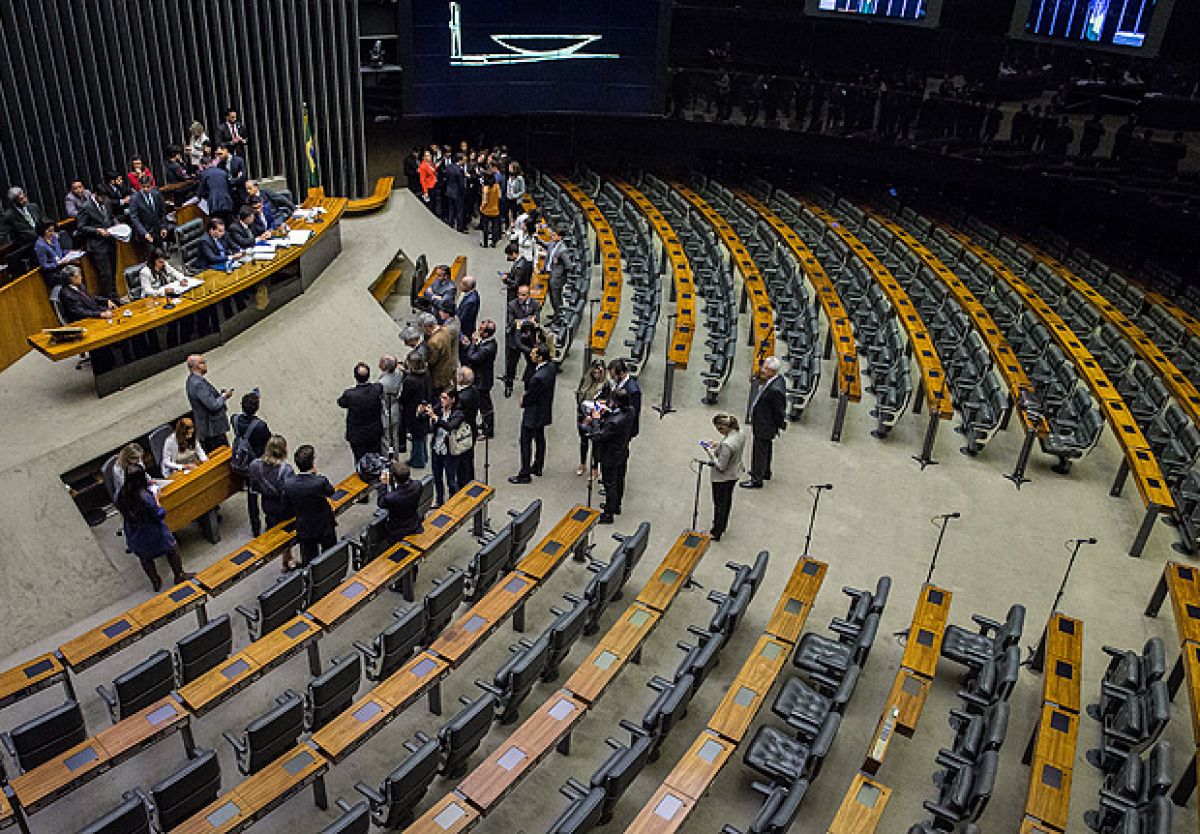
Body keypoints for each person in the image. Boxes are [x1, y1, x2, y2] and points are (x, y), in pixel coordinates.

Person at [115, 465, 193, 591]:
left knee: (145, 558)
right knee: (172, 549)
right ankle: (179, 575)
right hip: (153, 533)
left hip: (135, 534)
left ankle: (155, 581)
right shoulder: (145, 497)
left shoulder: (120, 494)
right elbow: (159, 514)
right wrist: (156, 499)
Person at [586, 388, 634, 524]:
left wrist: (596, 419)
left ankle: (608, 514)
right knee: (619, 480)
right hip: (622, 451)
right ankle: (615, 506)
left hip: (610, 455)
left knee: (610, 484)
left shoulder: (614, 422)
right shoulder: (630, 411)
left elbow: (598, 436)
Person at [283, 445, 336, 566]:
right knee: (331, 555)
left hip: (305, 527)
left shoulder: (289, 484)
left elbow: (286, 504)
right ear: (312, 462)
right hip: (324, 524)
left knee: (309, 560)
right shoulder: (320, 481)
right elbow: (331, 492)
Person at [249, 435, 297, 569]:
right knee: (287, 533)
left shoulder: (255, 465)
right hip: (284, 507)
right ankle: (287, 559)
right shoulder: (286, 470)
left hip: (267, 504)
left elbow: (254, 487)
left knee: (272, 525)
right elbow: (289, 492)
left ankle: (286, 557)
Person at [509, 345, 555, 484]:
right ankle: (538, 466)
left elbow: (531, 396)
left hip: (533, 413)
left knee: (525, 441)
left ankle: (525, 473)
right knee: (539, 438)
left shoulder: (538, 378)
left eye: (534, 354)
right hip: (543, 410)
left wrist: (523, 401)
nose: (531, 355)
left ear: (540, 358)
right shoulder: (550, 368)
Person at [742, 356, 787, 489]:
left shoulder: (775, 390)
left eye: (765, 369)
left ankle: (757, 479)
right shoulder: (777, 379)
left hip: (765, 424)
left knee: (759, 451)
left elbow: (778, 410)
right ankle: (765, 472)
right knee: (766, 448)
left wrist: (780, 424)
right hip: (764, 423)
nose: (762, 370)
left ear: (773, 371)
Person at [232, 391, 272, 535]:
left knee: (252, 497)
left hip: (242, 462)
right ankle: (270, 523)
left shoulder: (234, 419)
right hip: (258, 462)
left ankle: (255, 528)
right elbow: (269, 441)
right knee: (266, 492)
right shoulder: (260, 426)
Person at [703, 413, 745, 542]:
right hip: (734, 472)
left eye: (720, 429)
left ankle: (716, 532)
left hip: (722, 478)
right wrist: (719, 446)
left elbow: (721, 466)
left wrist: (711, 453)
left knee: (719, 504)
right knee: (726, 502)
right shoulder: (740, 433)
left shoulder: (727, 444)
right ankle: (722, 526)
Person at [422, 388, 465, 505]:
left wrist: (436, 418)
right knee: (437, 478)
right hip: (437, 448)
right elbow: (425, 418)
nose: (442, 400)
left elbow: (450, 426)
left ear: (452, 399)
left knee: (451, 480)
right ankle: (439, 501)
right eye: (441, 397)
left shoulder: (458, 413)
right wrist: (422, 412)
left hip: (449, 451)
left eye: (445, 398)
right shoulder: (439, 409)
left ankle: (453, 503)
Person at [75, 186, 118, 298]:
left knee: (113, 271)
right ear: (96, 195)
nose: (105, 200)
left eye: (106, 198)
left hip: (110, 241)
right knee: (106, 274)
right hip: (98, 245)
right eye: (103, 197)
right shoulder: (86, 207)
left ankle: (115, 296)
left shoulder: (107, 202)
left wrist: (116, 225)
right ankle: (109, 299)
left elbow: (111, 217)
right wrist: (96, 231)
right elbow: (81, 227)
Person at [337, 362, 384, 465]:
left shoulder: (350, 395)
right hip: (374, 432)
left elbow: (341, 403)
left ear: (355, 376)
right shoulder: (377, 389)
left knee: (360, 461)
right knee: (376, 459)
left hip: (357, 435)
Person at [186, 353, 233, 451]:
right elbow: (213, 405)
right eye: (203, 362)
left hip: (210, 429)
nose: (205, 364)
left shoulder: (192, 380)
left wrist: (219, 396)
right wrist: (224, 397)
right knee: (223, 454)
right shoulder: (197, 384)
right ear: (197, 366)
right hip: (212, 430)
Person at [461, 319, 498, 439]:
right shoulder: (486, 343)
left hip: (482, 381)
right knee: (483, 405)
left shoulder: (488, 348)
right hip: (481, 378)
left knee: (485, 407)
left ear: (486, 334)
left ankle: (488, 431)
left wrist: (472, 344)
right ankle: (485, 424)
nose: (477, 331)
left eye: (481, 330)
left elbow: (472, 357)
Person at [575, 359, 610, 478]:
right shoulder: (585, 381)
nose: (596, 375)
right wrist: (584, 414)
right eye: (594, 372)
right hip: (583, 416)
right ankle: (582, 464)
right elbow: (579, 397)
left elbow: (605, 403)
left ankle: (595, 468)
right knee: (583, 441)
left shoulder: (605, 385)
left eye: (599, 372)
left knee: (596, 444)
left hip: (596, 418)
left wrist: (592, 416)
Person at [504, 284, 540, 396]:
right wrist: (528, 320)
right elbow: (511, 322)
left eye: (523, 295)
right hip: (515, 339)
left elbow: (536, 321)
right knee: (511, 364)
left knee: (531, 362)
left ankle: (528, 384)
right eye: (519, 294)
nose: (520, 297)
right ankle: (509, 385)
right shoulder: (512, 305)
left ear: (529, 295)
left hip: (529, 339)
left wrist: (521, 321)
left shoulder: (535, 304)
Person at [377, 459, 424, 544]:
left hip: (397, 530)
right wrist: (399, 467)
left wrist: (383, 484)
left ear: (394, 478)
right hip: (414, 523)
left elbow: (380, 503)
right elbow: (410, 481)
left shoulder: (391, 498)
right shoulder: (418, 485)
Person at [400, 354, 432, 468]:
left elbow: (404, 397)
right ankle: (423, 456)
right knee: (422, 434)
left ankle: (418, 460)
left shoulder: (410, 380)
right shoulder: (426, 374)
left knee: (416, 436)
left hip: (413, 411)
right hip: (424, 407)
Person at [34, 221, 80, 290]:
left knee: (77, 270)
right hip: (52, 273)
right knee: (73, 277)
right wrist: (57, 264)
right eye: (49, 231)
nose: (52, 233)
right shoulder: (40, 245)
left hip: (62, 267)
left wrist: (70, 253)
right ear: (43, 231)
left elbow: (60, 253)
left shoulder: (54, 238)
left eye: (53, 230)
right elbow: (44, 266)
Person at [420, 312, 456, 396]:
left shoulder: (433, 342)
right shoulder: (446, 330)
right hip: (448, 369)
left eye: (423, 328)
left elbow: (432, 361)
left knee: (437, 396)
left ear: (428, 327)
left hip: (438, 376)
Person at [2, 187, 47, 252]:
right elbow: (2, 233)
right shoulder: (9, 215)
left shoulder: (33, 207)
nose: (25, 200)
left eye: (24, 197)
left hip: (44, 241)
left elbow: (44, 220)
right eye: (21, 199)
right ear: (14, 201)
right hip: (28, 247)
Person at [455, 366, 480, 483]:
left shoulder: (462, 397)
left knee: (463, 462)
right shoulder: (474, 389)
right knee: (469, 459)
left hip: (463, 431)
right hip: (472, 427)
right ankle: (469, 480)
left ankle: (464, 483)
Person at [128, 178, 170, 246]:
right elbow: (134, 218)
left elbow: (163, 212)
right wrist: (144, 233)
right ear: (140, 186)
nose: (145, 189)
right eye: (143, 187)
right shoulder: (135, 198)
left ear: (151, 186)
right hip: (145, 231)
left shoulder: (156, 194)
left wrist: (164, 227)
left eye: (148, 187)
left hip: (158, 228)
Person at [608, 358, 643, 439]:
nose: (612, 378)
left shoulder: (633, 390)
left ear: (621, 374)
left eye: (613, 376)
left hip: (625, 429)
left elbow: (633, 413)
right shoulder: (619, 383)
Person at [543, 228, 571, 323]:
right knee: (552, 297)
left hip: (557, 278)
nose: (552, 236)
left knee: (556, 299)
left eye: (554, 235)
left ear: (560, 237)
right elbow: (546, 245)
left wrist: (561, 275)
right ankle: (556, 313)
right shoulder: (552, 244)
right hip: (550, 274)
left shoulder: (563, 250)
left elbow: (569, 265)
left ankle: (557, 319)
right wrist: (538, 240)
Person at [379, 354, 405, 454]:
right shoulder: (399, 374)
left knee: (386, 437)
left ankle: (387, 458)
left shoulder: (382, 383)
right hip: (395, 406)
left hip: (386, 408)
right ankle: (395, 456)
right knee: (395, 436)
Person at [197, 155, 235, 223]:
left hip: (214, 204)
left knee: (217, 224)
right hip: (227, 202)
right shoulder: (223, 172)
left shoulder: (204, 174)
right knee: (228, 223)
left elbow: (201, 192)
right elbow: (229, 188)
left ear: (203, 165)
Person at [443, 153, 466, 232]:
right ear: (460, 160)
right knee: (459, 211)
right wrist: (463, 193)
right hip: (457, 193)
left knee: (451, 209)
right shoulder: (460, 170)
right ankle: (460, 227)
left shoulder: (449, 167)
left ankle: (450, 223)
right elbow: (461, 184)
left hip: (449, 191)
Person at [479, 172, 502, 247]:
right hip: (495, 210)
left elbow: (485, 201)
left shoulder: (486, 188)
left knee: (485, 227)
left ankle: (485, 243)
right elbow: (499, 196)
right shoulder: (497, 186)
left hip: (486, 211)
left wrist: (481, 208)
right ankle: (494, 242)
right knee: (494, 227)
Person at [456, 274, 480, 338]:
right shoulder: (473, 293)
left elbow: (462, 319)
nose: (460, 285)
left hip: (465, 331)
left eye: (462, 283)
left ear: (467, 286)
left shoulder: (470, 302)